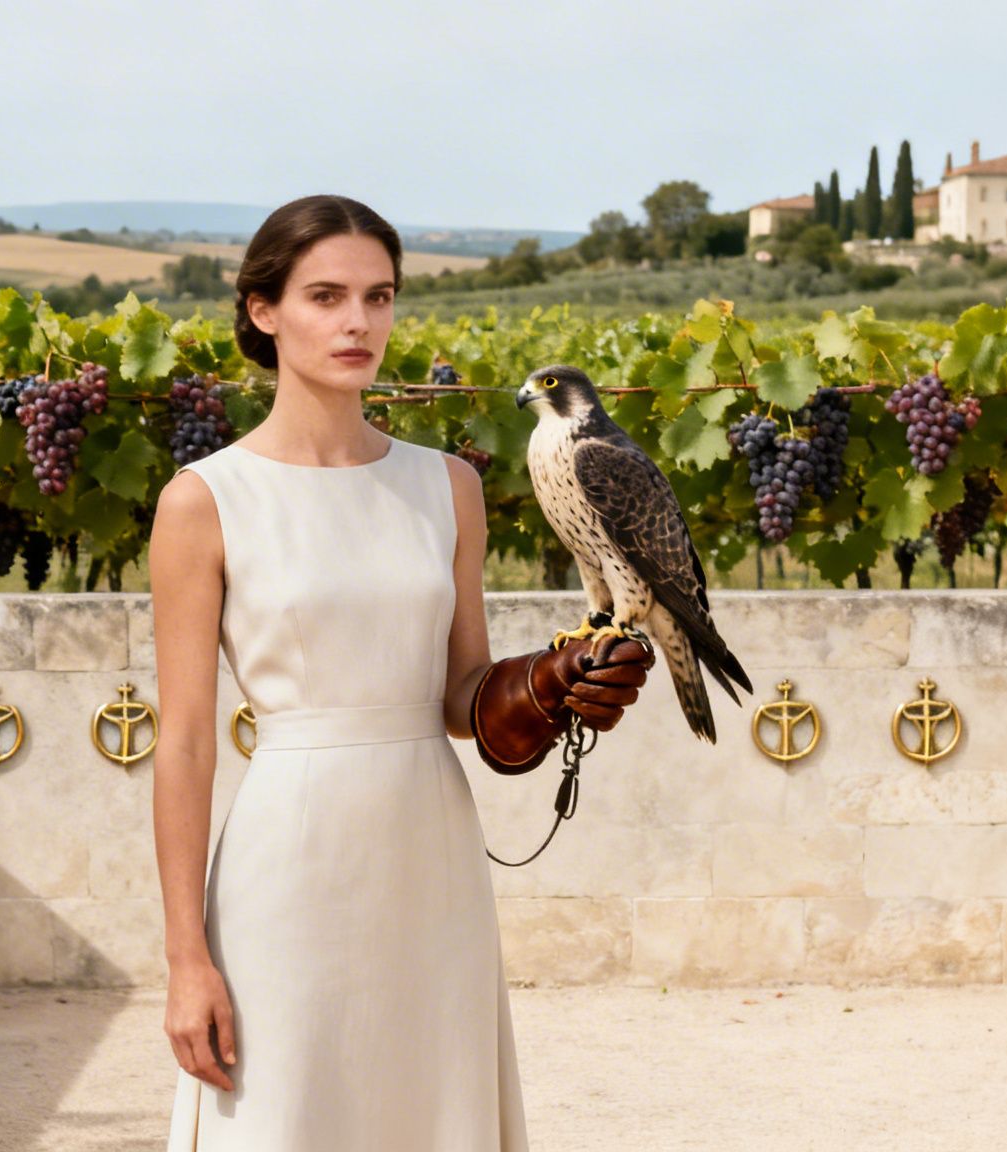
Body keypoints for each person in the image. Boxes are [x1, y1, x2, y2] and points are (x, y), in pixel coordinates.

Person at [148, 193, 655, 1151]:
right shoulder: (204, 499)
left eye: (378, 297)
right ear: (263, 310)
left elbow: (462, 696)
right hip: (286, 864)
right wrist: (186, 960)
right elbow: (181, 745)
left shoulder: (448, 486)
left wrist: (543, 685)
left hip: (433, 855)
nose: (358, 323)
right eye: (326, 295)